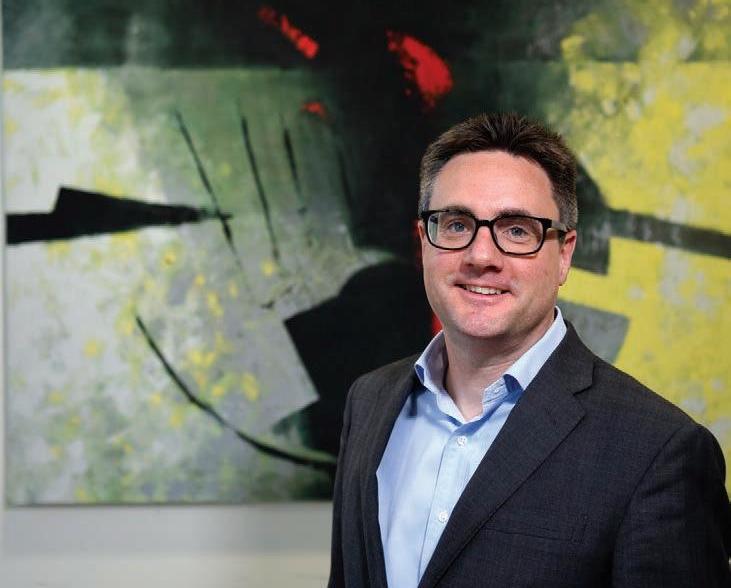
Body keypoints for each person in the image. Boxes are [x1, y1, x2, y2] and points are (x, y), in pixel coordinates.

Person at [327, 113, 731, 587]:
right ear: (423, 244)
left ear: (564, 254)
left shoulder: (660, 451)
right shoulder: (369, 402)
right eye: (456, 224)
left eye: (517, 230)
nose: (481, 256)